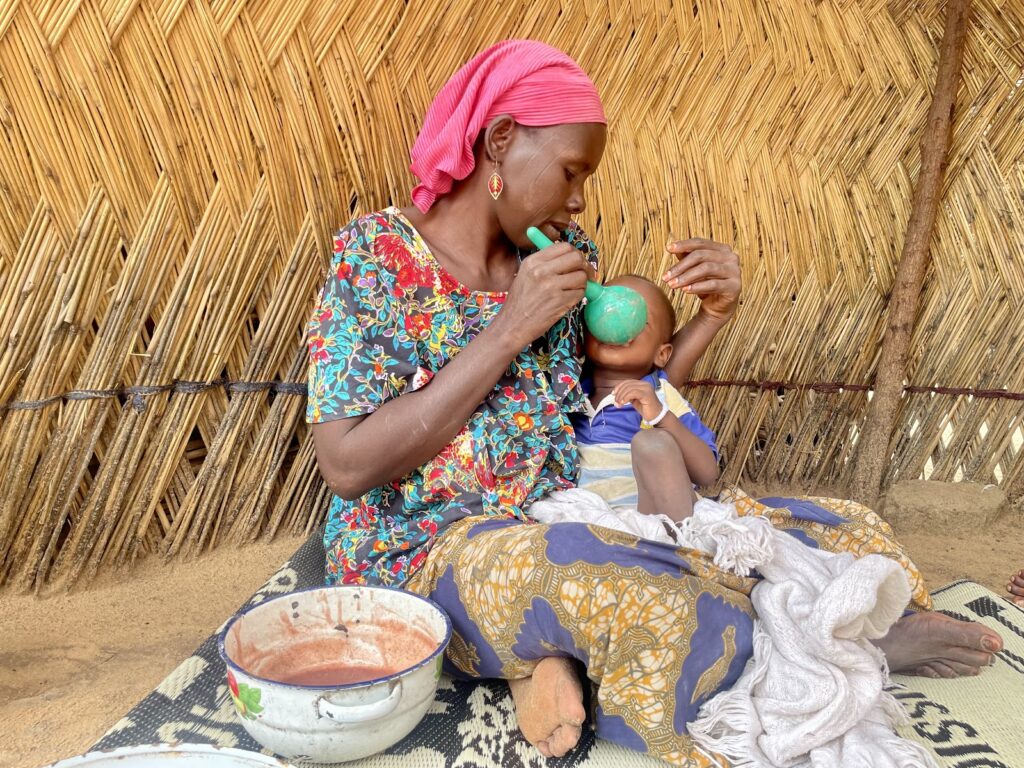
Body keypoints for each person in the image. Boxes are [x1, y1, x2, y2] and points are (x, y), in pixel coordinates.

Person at [307, 39, 1004, 764]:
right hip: (432, 549)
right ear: (501, 141)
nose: (578, 200)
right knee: (643, 590)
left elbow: (629, 392)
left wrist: (713, 316)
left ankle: (561, 662)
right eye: (572, 172)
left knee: (841, 529)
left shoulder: (559, 260)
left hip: (575, 506)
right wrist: (511, 326)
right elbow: (348, 464)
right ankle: (839, 638)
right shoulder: (377, 258)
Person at [572, 274, 719, 523]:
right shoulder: (567, 395)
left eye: (636, 318)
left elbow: (707, 473)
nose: (616, 322)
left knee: (651, 443)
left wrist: (661, 417)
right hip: (591, 519)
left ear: (662, 354)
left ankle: (677, 545)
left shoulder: (662, 396)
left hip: (654, 515)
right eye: (603, 312)